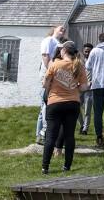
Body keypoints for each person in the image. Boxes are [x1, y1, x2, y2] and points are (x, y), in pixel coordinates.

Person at [41, 41, 89, 174]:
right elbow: (84, 87)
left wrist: (51, 85)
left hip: (55, 102)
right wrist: (74, 88)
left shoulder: (55, 64)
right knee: (69, 136)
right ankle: (67, 166)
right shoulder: (79, 66)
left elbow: (45, 84)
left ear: (64, 51)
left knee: (51, 135)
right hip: (73, 103)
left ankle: (45, 167)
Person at [36, 25, 65, 145]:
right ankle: (43, 133)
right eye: (61, 28)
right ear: (54, 30)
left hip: (55, 74)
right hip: (48, 73)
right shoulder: (48, 40)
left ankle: (41, 133)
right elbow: (45, 56)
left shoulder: (60, 43)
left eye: (65, 29)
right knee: (46, 102)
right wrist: (50, 72)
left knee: (49, 102)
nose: (63, 30)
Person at [78, 43, 93, 135]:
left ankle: (85, 129)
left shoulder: (94, 61)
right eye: (86, 51)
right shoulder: (79, 61)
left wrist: (92, 82)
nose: (87, 53)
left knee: (87, 110)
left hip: (90, 89)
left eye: (89, 51)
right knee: (76, 108)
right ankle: (82, 124)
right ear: (83, 51)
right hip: (79, 88)